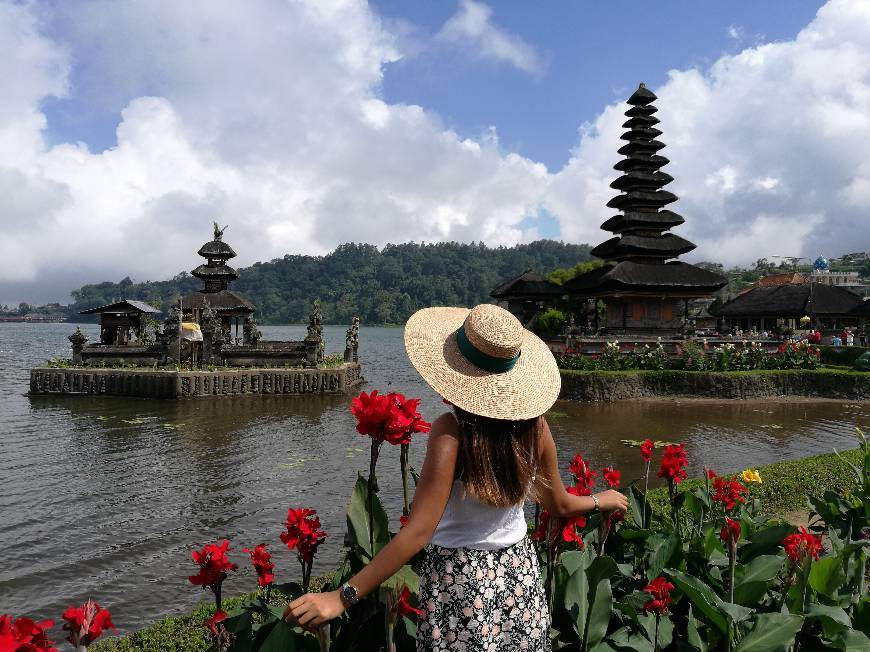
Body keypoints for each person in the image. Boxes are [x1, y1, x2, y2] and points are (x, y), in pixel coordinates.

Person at [283, 304, 628, 650]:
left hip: (460, 582)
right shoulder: (535, 428)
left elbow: (418, 532)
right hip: (519, 577)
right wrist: (602, 498)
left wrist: (341, 597)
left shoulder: (452, 432)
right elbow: (561, 505)